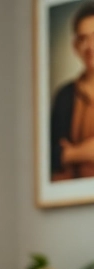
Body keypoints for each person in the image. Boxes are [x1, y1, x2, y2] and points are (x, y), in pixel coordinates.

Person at [51, 1, 94, 181]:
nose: (90, 47)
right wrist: (82, 153)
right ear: (75, 46)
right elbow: (52, 154)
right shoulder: (65, 95)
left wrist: (72, 153)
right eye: (83, 39)